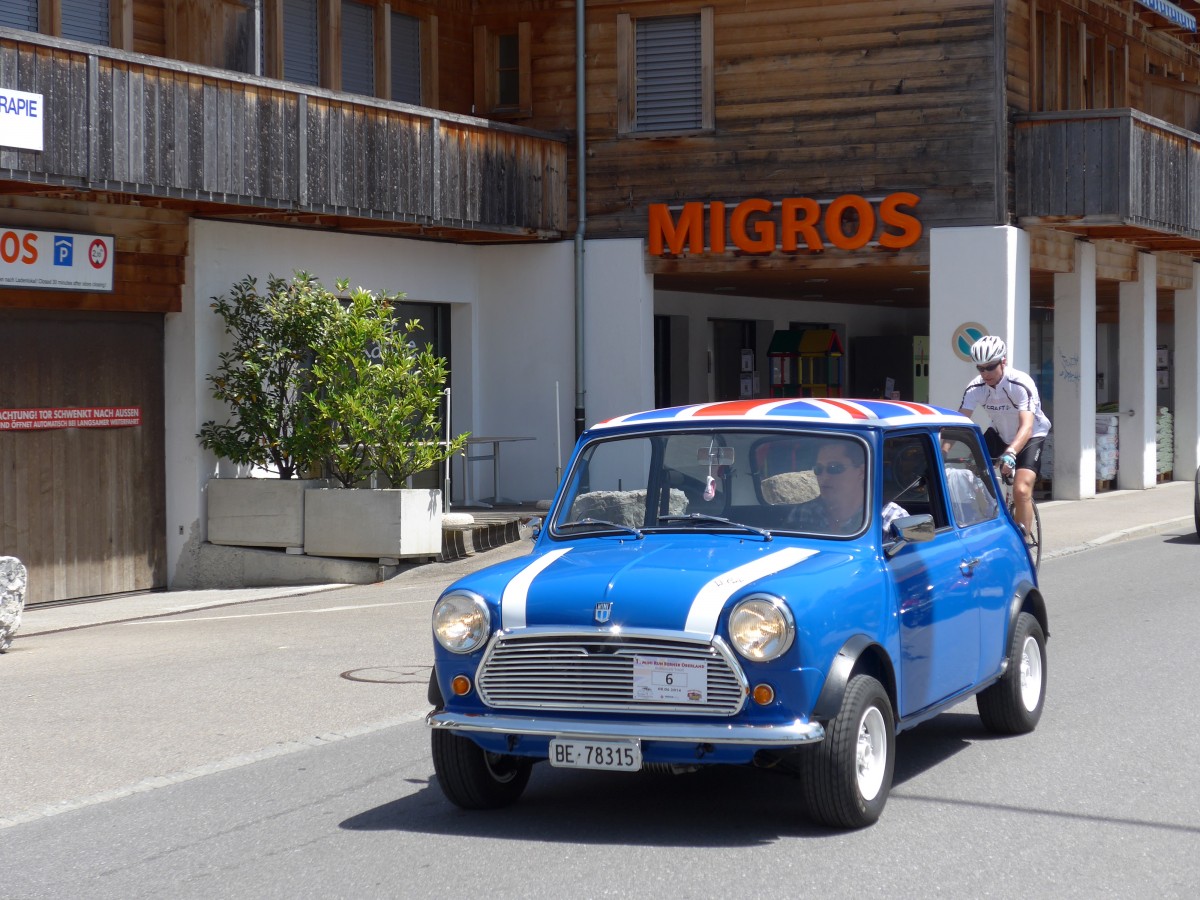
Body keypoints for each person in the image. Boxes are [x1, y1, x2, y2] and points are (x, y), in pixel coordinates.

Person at [957, 335, 1050, 540]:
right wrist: (940, 451)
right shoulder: (975, 388)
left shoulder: (1020, 383)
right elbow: (958, 423)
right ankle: (992, 516)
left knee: (1021, 489)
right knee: (971, 478)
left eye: (990, 367)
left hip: (1031, 435)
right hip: (999, 433)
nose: (985, 373)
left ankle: (1023, 543)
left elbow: (1026, 426)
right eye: (980, 368)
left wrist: (1011, 452)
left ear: (1003, 361)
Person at [789, 439, 907, 536]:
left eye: (834, 468)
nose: (824, 477)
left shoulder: (891, 518)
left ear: (862, 472)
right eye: (818, 469)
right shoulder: (803, 513)